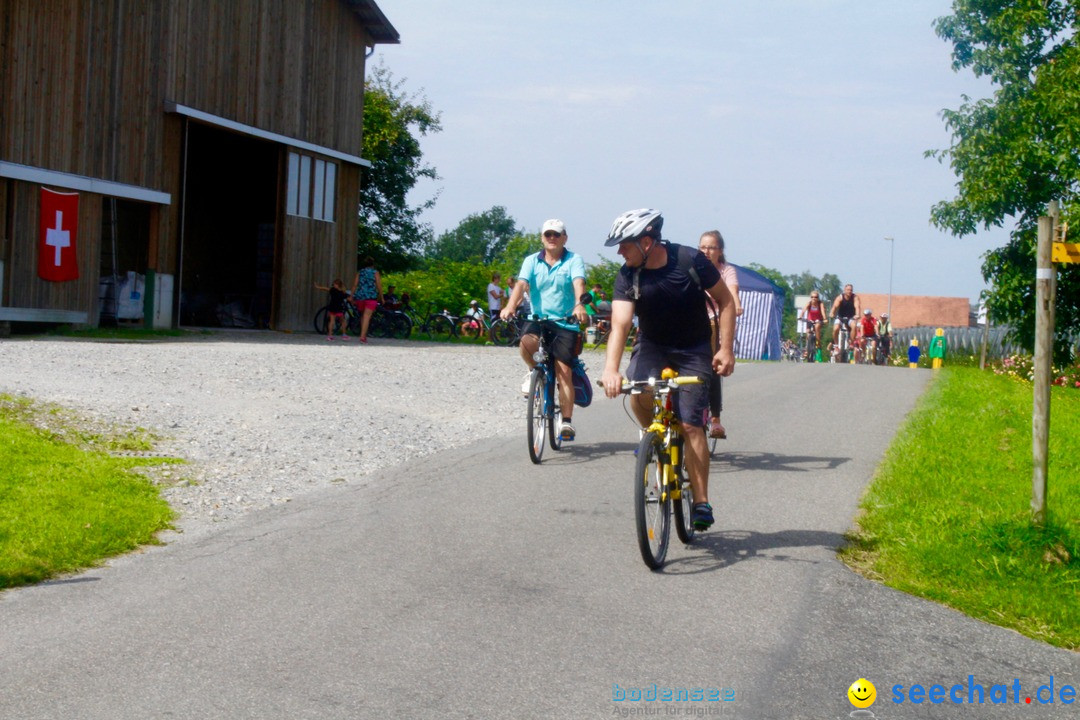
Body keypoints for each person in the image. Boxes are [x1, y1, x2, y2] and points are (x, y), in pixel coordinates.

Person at [599, 209, 736, 531]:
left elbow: (726, 301)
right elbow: (620, 325)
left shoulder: (690, 261)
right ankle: (653, 438)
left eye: (624, 244)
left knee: (691, 426)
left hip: (693, 348)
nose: (620, 251)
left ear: (647, 242)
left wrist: (726, 348)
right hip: (653, 345)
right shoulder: (627, 274)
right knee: (638, 389)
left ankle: (701, 501)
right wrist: (611, 369)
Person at [501, 218, 587, 440]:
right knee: (526, 342)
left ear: (564, 238)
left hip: (564, 321)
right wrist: (510, 305)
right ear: (542, 238)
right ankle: (533, 371)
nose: (552, 238)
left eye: (556, 234)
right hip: (538, 319)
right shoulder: (532, 261)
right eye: (548, 234)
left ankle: (566, 423)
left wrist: (579, 305)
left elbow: (579, 283)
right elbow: (520, 285)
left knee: (564, 372)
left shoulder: (573, 260)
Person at [698, 230, 742, 439]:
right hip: (691, 319)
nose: (706, 251)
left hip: (715, 319)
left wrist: (736, 304)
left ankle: (715, 419)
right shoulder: (693, 268)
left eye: (711, 247)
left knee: (712, 365)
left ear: (720, 251)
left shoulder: (726, 271)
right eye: (703, 247)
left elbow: (731, 292)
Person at [351, 256, 383, 344]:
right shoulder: (375, 273)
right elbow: (379, 285)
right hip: (371, 296)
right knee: (367, 317)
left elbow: (355, 285)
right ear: (373, 264)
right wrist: (382, 297)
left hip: (360, 296)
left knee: (363, 316)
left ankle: (363, 335)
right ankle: (362, 337)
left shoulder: (360, 272)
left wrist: (351, 296)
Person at [830, 283, 861, 348]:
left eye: (851, 290)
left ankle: (851, 344)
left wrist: (857, 314)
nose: (849, 291)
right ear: (844, 290)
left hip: (850, 318)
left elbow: (857, 307)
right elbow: (835, 306)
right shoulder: (840, 297)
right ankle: (836, 345)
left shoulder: (855, 297)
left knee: (854, 326)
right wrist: (832, 313)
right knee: (836, 329)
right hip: (840, 317)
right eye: (848, 290)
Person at [800, 291, 827, 361]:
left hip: (818, 320)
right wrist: (800, 316)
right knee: (808, 333)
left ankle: (818, 343)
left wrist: (825, 319)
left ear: (818, 298)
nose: (814, 298)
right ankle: (807, 348)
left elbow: (823, 312)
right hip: (810, 320)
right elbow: (803, 310)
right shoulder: (809, 304)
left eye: (816, 297)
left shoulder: (820, 304)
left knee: (817, 327)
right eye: (812, 297)